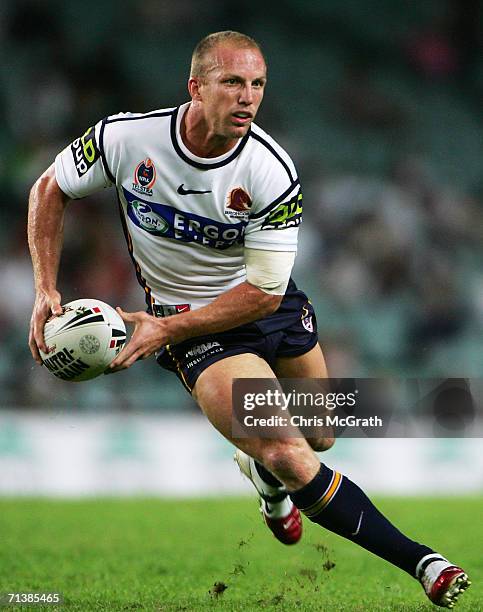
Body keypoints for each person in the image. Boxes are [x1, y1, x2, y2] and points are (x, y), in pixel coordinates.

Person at [28, 31, 470, 608]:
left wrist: (163, 329)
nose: (248, 97)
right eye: (233, 82)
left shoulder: (270, 170)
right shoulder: (125, 138)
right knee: (289, 450)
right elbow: (50, 187)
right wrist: (44, 287)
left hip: (269, 307)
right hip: (196, 331)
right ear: (196, 86)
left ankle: (263, 479)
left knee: (321, 436)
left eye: (257, 84)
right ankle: (425, 563)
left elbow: (262, 294)